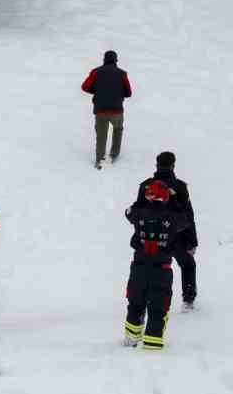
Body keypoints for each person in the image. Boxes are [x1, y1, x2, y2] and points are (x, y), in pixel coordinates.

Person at [120, 179, 189, 351]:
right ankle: (153, 342)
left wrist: (144, 197)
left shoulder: (138, 214)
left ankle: (131, 339)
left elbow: (129, 211)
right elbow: (185, 219)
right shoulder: (173, 219)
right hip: (161, 270)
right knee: (158, 307)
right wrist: (173, 199)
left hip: (139, 268)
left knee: (135, 303)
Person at [124, 150, 198, 310]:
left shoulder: (146, 185)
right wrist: (192, 241)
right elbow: (188, 216)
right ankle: (188, 299)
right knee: (188, 264)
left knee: (146, 268)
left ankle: (142, 301)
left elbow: (136, 210)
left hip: (147, 239)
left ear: (157, 165)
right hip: (177, 237)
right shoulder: (180, 187)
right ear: (173, 165)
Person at [81, 50, 132, 169]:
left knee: (101, 135)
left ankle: (99, 160)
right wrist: (119, 94)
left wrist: (96, 91)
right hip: (117, 110)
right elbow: (129, 92)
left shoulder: (96, 72)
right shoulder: (122, 74)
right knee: (118, 129)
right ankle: (114, 155)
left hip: (100, 110)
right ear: (116, 60)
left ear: (104, 60)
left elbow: (84, 87)